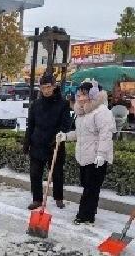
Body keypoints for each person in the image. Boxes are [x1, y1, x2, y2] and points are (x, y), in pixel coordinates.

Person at [56, 81, 116, 225]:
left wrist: (101, 154)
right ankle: (89, 213)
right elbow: (80, 134)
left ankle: (84, 216)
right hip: (84, 156)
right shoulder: (82, 113)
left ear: (92, 95)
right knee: (88, 186)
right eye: (79, 94)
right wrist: (65, 136)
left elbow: (105, 134)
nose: (81, 97)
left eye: (84, 94)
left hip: (96, 157)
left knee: (91, 188)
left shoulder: (102, 112)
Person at [23, 72, 71, 210]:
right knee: (35, 173)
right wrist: (27, 142)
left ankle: (58, 198)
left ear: (54, 86)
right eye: (43, 87)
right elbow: (31, 125)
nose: (46, 90)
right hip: (37, 143)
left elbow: (66, 124)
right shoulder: (36, 104)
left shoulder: (63, 104)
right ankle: (37, 199)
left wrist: (57, 137)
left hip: (54, 144)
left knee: (56, 173)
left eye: (49, 86)